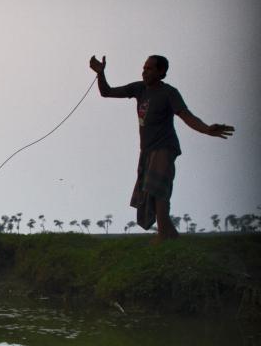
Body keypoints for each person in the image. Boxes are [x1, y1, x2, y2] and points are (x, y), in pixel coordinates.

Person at [88, 55, 234, 241]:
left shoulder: (169, 93)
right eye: (144, 68)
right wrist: (101, 74)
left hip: (165, 147)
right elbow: (106, 92)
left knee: (158, 189)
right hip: (147, 150)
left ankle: (163, 234)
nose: (144, 72)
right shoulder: (139, 89)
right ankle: (170, 234)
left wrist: (206, 129)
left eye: (149, 69)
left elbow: (186, 115)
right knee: (150, 191)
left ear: (161, 72)